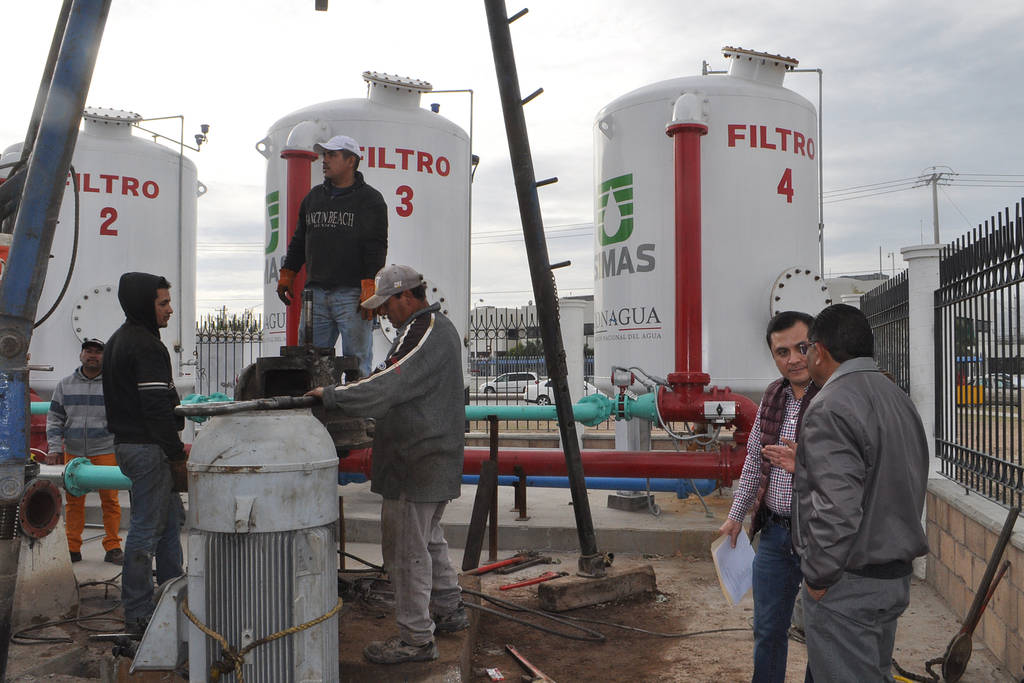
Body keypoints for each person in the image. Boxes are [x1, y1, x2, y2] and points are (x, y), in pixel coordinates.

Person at [307, 264, 466, 665]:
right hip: (428, 456)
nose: (381, 314)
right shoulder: (429, 330)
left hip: (418, 458)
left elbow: (389, 381)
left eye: (385, 305)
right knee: (428, 540)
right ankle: (449, 610)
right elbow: (393, 378)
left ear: (406, 296)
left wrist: (333, 395)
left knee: (405, 552)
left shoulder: (423, 330)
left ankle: (416, 639)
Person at [792, 303, 929, 681]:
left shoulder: (830, 406)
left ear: (819, 351)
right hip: (890, 578)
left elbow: (836, 510)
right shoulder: (896, 397)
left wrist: (818, 579)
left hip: (848, 584)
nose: (804, 358)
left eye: (805, 349)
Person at [717, 311, 819, 683]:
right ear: (773, 356)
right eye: (782, 351)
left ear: (817, 346)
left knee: (820, 634)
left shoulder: (833, 397)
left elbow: (853, 472)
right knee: (767, 629)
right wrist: (736, 514)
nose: (792, 358)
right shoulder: (773, 397)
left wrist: (803, 464)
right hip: (775, 535)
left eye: (801, 347)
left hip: (819, 536)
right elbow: (752, 464)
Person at [103, 272, 186, 634]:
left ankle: (173, 595)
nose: (170, 310)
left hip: (131, 445)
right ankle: (138, 611)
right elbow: (154, 407)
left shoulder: (119, 341)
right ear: (143, 305)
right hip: (148, 448)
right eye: (162, 303)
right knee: (146, 530)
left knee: (169, 524)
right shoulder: (147, 346)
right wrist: (175, 453)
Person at [277, 134, 388, 377]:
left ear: (351, 161)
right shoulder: (313, 198)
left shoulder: (370, 200)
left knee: (356, 362)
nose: (324, 160)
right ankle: (317, 409)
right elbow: (299, 241)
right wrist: (288, 273)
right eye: (324, 155)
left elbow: (376, 246)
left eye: (332, 155)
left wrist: (371, 284)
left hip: (353, 295)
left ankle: (356, 409)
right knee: (311, 362)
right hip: (315, 293)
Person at [46, 339, 123, 565]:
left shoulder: (114, 385)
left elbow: (124, 418)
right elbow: (55, 418)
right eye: (88, 351)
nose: (92, 355)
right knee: (73, 501)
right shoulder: (64, 385)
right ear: (81, 355)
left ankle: (113, 546)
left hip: (106, 450)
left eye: (98, 352)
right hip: (74, 452)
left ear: (104, 357)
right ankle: (72, 547)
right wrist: (53, 448)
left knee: (110, 500)